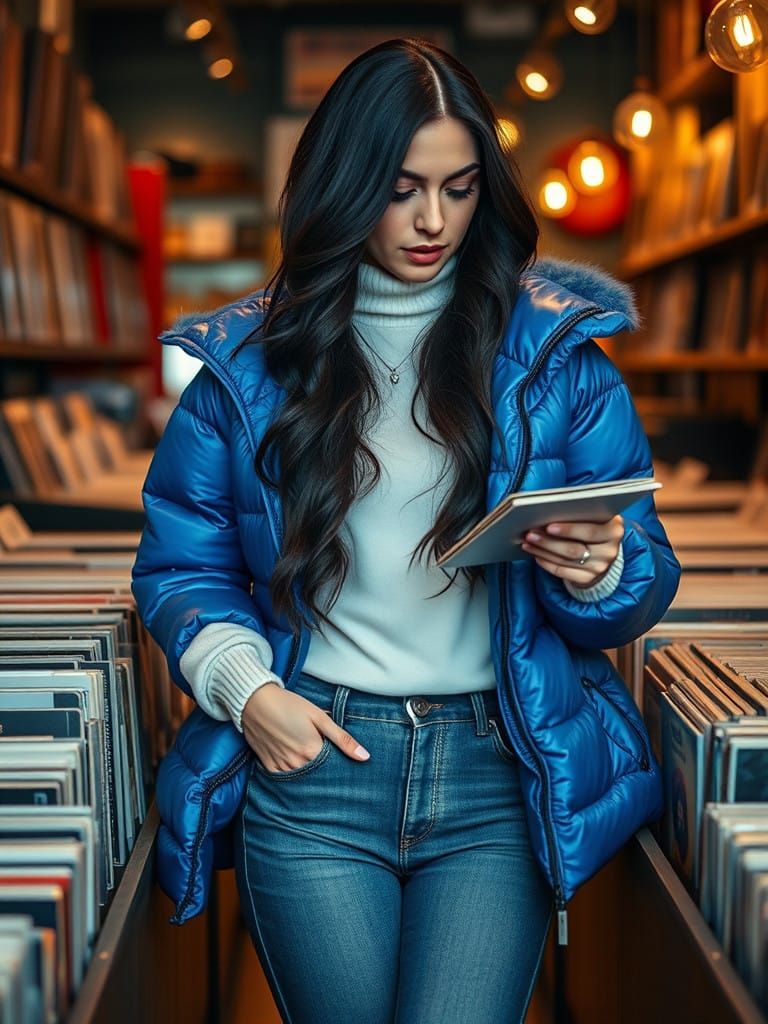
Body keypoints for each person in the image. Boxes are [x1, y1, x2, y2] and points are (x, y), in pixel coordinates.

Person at [132, 37, 681, 1024]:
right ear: (344, 187)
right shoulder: (244, 369)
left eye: (461, 188)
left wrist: (604, 570)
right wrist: (245, 689)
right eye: (401, 189)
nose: (434, 220)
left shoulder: (558, 358)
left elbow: (639, 584)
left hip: (493, 771)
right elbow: (183, 566)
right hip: (314, 763)